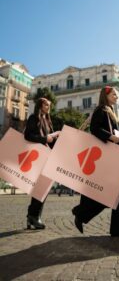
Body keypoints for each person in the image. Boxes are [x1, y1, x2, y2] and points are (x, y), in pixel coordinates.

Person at [72, 86, 119, 236]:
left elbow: (115, 132)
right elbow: (95, 129)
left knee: (118, 194)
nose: (117, 97)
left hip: (118, 158)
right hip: (108, 159)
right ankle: (81, 213)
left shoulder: (110, 112)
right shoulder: (101, 110)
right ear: (106, 95)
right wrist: (110, 136)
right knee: (109, 193)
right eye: (114, 94)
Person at [24, 97, 60, 229]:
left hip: (47, 157)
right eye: (46, 105)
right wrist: (45, 138)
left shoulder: (48, 121)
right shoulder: (33, 118)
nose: (48, 107)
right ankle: (34, 217)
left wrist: (57, 137)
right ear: (40, 106)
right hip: (37, 157)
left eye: (49, 105)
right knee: (41, 188)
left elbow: (50, 141)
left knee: (43, 188)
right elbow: (28, 135)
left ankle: (32, 216)